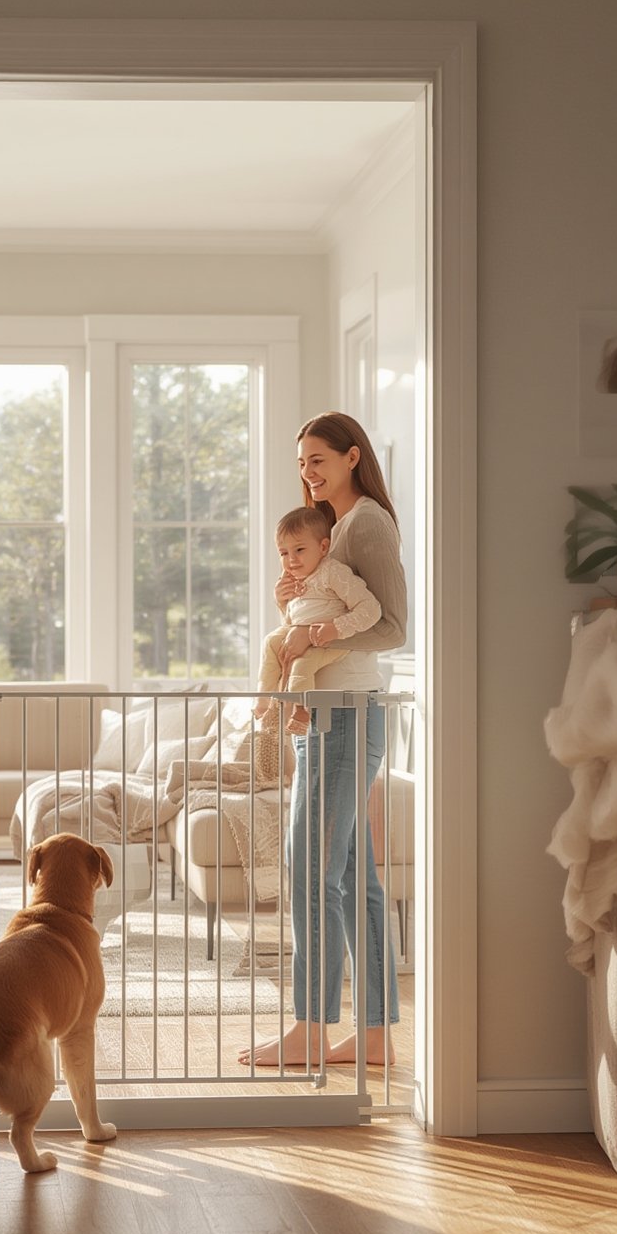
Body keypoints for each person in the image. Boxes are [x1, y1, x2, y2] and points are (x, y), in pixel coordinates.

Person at [240, 411, 407, 1068]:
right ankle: (373, 1038)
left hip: (344, 711)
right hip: (326, 710)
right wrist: (292, 604)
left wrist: (315, 638)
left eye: (319, 460)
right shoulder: (332, 528)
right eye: (301, 462)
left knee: (308, 864)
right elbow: (329, 609)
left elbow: (392, 627)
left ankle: (310, 1029)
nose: (308, 473)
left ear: (353, 457)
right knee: (354, 877)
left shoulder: (366, 522)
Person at [254, 504, 381, 735]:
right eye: (283, 553)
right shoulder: (292, 579)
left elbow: (371, 609)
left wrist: (336, 628)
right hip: (304, 634)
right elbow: (292, 622)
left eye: (299, 549)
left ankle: (302, 710)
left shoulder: (333, 572)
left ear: (323, 547)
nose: (291, 559)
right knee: (270, 642)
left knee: (303, 663)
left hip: (330, 639)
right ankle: (264, 698)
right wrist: (282, 602)